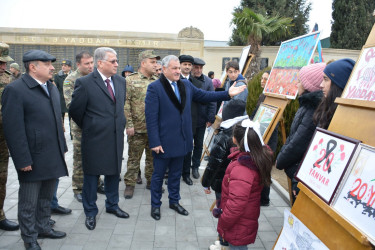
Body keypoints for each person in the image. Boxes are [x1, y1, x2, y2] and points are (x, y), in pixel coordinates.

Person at [145, 55, 246, 220]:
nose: (179, 71)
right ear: (164, 69)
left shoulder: (185, 84)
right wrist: (155, 141)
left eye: (179, 68)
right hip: (163, 142)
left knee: (176, 174)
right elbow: (150, 117)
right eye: (175, 68)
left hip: (182, 140)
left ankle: (174, 201)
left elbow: (204, 96)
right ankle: (155, 205)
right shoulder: (155, 88)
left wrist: (227, 94)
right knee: (158, 175)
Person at [2, 49, 69, 250]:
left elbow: (58, 121)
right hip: (33, 156)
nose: (52, 67)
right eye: (47, 64)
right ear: (33, 67)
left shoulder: (52, 87)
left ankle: (43, 227)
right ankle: (29, 237)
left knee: (46, 198)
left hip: (52, 153)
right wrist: (23, 160)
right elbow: (13, 129)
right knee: (29, 202)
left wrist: (62, 147)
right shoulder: (16, 90)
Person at [69, 47, 129, 231]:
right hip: (94, 139)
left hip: (115, 138)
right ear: (100, 63)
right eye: (113, 61)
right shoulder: (85, 83)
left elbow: (118, 106)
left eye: (116, 60)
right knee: (92, 177)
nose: (116, 64)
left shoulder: (120, 81)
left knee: (113, 173)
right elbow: (75, 111)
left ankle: (112, 205)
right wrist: (92, 125)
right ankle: (90, 212)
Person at [215, 119, 273, 250]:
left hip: (238, 223)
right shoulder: (255, 157)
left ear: (236, 139)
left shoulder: (242, 169)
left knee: (237, 246)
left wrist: (223, 221)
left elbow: (236, 204)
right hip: (245, 218)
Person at [276, 63, 326, 203]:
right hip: (297, 172)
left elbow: (298, 143)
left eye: (299, 81)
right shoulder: (306, 105)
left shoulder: (313, 111)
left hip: (300, 175)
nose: (296, 84)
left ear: (309, 85)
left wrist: (280, 160)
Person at [123, 50, 160, 199]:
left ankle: (151, 182)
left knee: (153, 159)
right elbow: (126, 104)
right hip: (136, 128)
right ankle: (129, 185)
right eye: (152, 62)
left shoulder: (157, 81)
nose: (155, 65)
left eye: (156, 62)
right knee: (133, 159)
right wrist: (129, 124)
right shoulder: (130, 80)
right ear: (143, 63)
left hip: (153, 129)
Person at [63, 51, 95, 203]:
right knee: (79, 157)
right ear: (78, 64)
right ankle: (78, 188)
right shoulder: (71, 80)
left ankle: (97, 183)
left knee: (96, 155)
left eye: (91, 63)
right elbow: (72, 106)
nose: (90, 66)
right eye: (86, 63)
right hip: (80, 126)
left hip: (96, 125)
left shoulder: (95, 77)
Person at [0, 42, 19, 232]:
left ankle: (0, 214)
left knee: (2, 178)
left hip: (2, 140)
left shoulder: (8, 80)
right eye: (0, 63)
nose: (4, 67)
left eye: (5, 63)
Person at [250, 70, 277, 206]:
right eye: (262, 78)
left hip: (268, 138)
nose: (262, 81)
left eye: (265, 79)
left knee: (265, 169)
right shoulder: (263, 96)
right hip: (261, 136)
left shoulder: (273, 98)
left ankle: (264, 199)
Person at [189, 57, 216, 180]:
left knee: (199, 145)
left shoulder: (208, 82)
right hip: (188, 120)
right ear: (192, 67)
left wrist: (210, 118)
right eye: (196, 67)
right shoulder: (186, 79)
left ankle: (195, 167)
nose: (198, 70)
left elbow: (212, 100)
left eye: (200, 68)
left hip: (201, 119)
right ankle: (184, 167)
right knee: (187, 145)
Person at [313, 58, 355, 129]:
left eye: (326, 79)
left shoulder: (348, 120)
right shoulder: (326, 107)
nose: (321, 85)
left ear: (338, 84)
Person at [179, 54, 199, 186]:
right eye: (184, 64)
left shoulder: (196, 82)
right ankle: (172, 173)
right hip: (174, 123)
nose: (187, 67)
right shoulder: (172, 80)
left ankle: (186, 174)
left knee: (188, 150)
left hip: (190, 122)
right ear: (179, 65)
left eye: (189, 65)